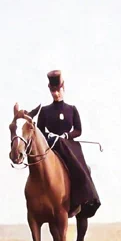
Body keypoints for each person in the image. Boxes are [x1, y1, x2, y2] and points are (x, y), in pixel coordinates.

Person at [28, 70, 101, 218]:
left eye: (58, 90)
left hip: (70, 145)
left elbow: (78, 130)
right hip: (52, 145)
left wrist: (66, 135)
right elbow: (40, 131)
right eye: (53, 91)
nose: (56, 94)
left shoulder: (71, 109)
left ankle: (86, 196)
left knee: (83, 167)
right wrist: (50, 135)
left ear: (63, 88)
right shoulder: (45, 111)